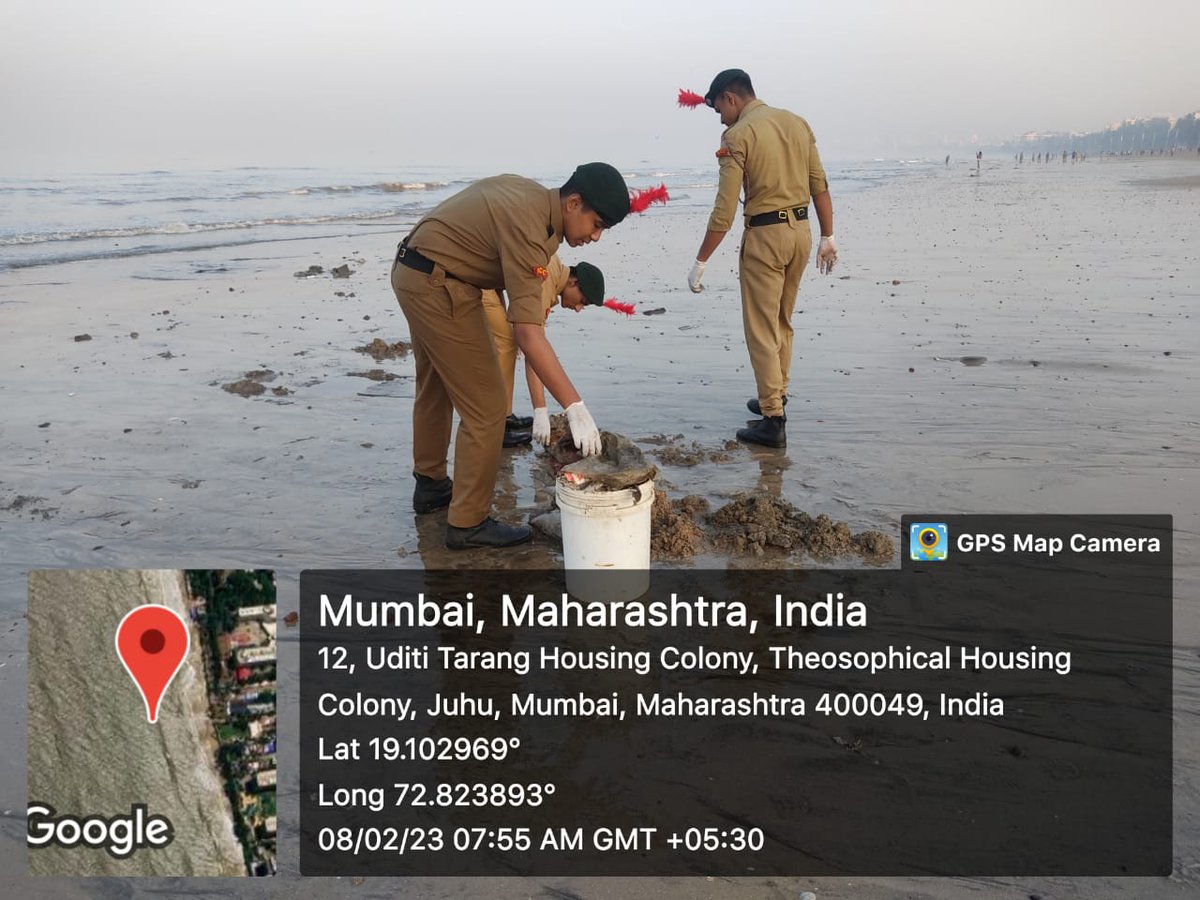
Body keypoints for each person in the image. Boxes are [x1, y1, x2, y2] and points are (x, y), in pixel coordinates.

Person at [391, 163, 630, 549]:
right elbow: (528, 334)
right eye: (597, 223)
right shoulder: (532, 229)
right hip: (439, 283)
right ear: (573, 203)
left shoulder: (532, 200)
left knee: (435, 385)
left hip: (417, 269)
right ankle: (468, 523)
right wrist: (574, 407)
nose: (597, 237)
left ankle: (431, 486)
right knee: (487, 408)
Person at [686, 68, 835, 448]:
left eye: (718, 107)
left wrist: (701, 260)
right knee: (783, 321)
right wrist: (828, 236)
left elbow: (724, 209)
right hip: (801, 233)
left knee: (760, 328)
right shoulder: (796, 123)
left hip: (765, 237)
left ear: (731, 98)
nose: (720, 117)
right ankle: (777, 394)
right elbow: (819, 184)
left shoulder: (738, 136)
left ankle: (772, 419)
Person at [481, 255, 608, 448]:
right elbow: (533, 349)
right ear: (573, 282)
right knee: (506, 342)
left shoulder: (554, 273)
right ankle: (495, 427)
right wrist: (540, 410)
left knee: (506, 341)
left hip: (489, 279)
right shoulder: (546, 281)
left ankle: (502, 416)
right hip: (478, 281)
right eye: (583, 301)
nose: (579, 308)